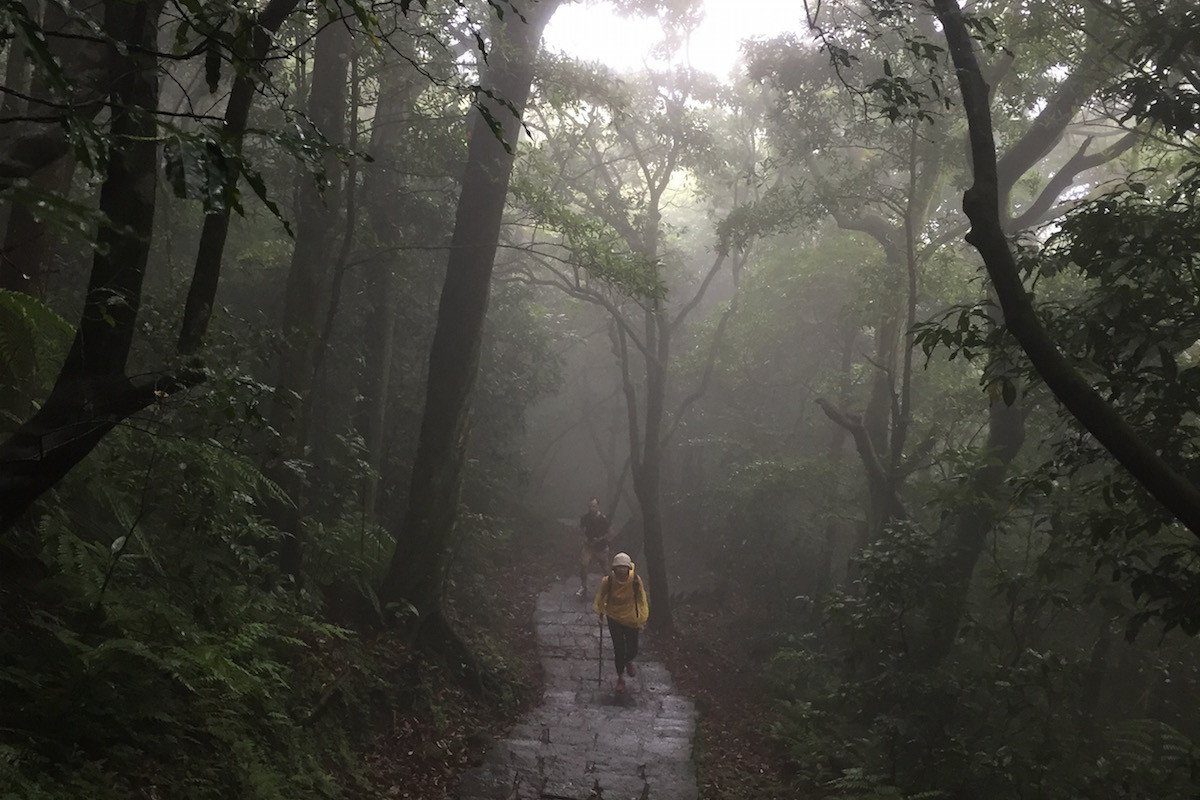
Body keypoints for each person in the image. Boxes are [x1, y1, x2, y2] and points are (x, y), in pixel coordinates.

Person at [593, 552, 649, 692]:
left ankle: (628, 661)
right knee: (619, 648)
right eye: (619, 568)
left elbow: (641, 600)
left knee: (633, 649)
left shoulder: (635, 581)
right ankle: (620, 678)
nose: (621, 570)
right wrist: (600, 612)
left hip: (631, 619)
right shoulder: (609, 581)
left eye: (624, 567)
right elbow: (600, 597)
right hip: (614, 618)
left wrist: (642, 617)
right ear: (614, 569)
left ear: (628, 568)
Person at [577, 496, 611, 598]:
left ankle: (610, 587)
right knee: (583, 564)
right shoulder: (585, 518)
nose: (592, 508)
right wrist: (584, 539)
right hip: (588, 546)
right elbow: (581, 530)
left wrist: (599, 539)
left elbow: (608, 533)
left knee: (605, 567)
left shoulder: (603, 519)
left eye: (594, 506)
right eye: (590, 506)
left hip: (601, 546)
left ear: (598, 506)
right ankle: (583, 587)